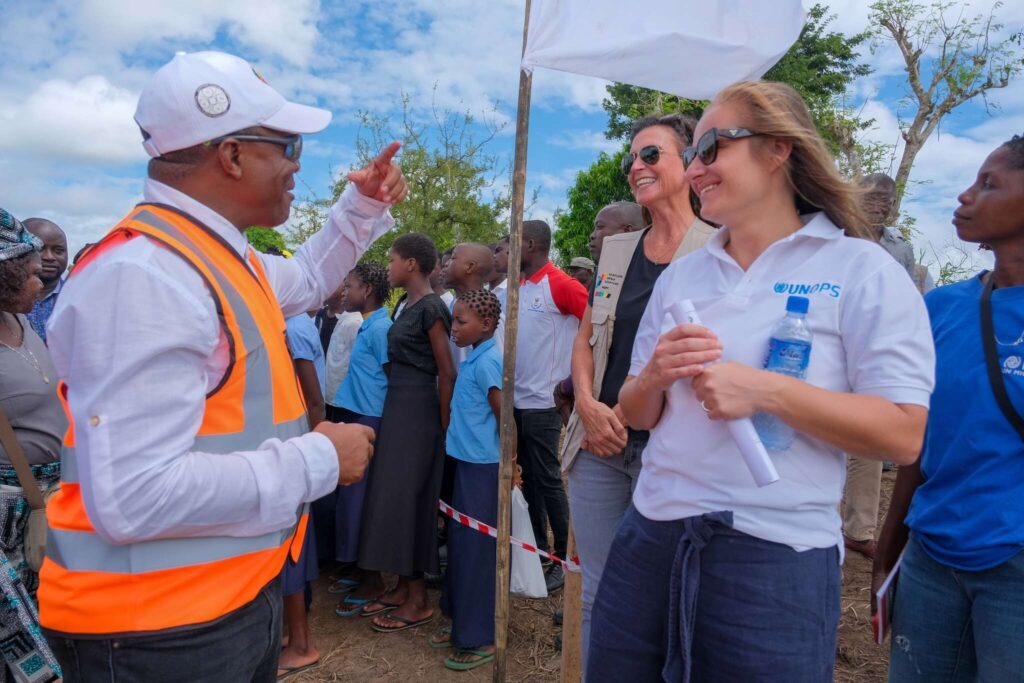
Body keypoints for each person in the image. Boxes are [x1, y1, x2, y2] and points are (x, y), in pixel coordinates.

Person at [37, 51, 406, 681]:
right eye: (287, 144)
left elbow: (314, 276)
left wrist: (361, 207)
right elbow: (133, 497)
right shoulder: (146, 277)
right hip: (156, 635)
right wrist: (320, 458)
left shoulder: (219, 261)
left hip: (215, 607)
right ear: (231, 155)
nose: (297, 164)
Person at [589, 81, 935, 682]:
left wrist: (767, 391)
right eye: (693, 154)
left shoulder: (861, 269)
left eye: (712, 147)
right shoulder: (685, 275)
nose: (696, 168)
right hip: (650, 535)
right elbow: (636, 414)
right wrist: (653, 375)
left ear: (778, 150)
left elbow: (905, 436)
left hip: (776, 557)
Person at [561, 116, 716, 670]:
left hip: (671, 451)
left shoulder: (719, 250)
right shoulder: (617, 249)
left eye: (651, 155)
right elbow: (586, 339)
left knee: (671, 595)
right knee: (600, 592)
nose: (636, 168)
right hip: (598, 444)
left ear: (690, 162)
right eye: (632, 159)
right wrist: (586, 404)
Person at [873, 135, 1024, 682]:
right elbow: (919, 439)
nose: (964, 196)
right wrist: (889, 549)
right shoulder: (939, 309)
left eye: (989, 184)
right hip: (932, 557)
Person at [358, 233, 455, 633]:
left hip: (419, 412)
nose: (389, 266)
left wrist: (444, 427)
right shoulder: (404, 304)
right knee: (394, 498)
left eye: (393, 259)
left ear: (411, 264)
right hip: (397, 406)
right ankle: (402, 585)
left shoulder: (432, 307)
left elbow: (446, 371)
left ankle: (418, 600)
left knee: (411, 499)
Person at [842, 172, 934, 560]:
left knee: (868, 446)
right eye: (873, 197)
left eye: (888, 199)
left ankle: (858, 529)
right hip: (836, 344)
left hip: (877, 351)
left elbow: (909, 296)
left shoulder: (901, 247)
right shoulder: (835, 236)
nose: (881, 205)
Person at [0, 208, 63, 683]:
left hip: (49, 503)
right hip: (9, 518)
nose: (39, 278)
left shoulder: (23, 326)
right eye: (28, 269)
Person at [514, 219, 588, 593]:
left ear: (530, 244)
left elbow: (597, 328)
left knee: (549, 480)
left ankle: (564, 557)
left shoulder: (560, 284)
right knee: (528, 483)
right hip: (517, 403)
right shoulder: (521, 286)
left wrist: (572, 384)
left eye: (515, 242)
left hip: (544, 403)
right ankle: (539, 550)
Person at [433, 289, 504, 671]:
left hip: (481, 468)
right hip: (464, 461)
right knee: (461, 545)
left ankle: (479, 635)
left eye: (461, 322)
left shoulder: (489, 362)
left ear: (487, 325)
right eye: (454, 320)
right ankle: (460, 618)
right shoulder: (475, 356)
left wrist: (512, 465)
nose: (454, 328)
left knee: (477, 553)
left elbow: (505, 418)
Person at [330, 264, 393, 615]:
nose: (344, 291)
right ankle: (357, 569)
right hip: (357, 417)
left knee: (361, 502)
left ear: (366, 289)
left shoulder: (381, 328)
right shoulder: (369, 325)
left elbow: (391, 377)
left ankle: (372, 580)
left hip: (371, 420)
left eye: (350, 286)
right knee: (350, 499)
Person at [279, 310, 329, 679]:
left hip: (292, 445)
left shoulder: (293, 329)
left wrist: (315, 446)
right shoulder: (285, 325)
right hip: (284, 444)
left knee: (291, 544)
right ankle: (287, 633)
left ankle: (300, 643)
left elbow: (314, 399)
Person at [23, 218, 67, 343]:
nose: (49, 257)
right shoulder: (6, 301)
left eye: (58, 251)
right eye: (40, 249)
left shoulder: (78, 298)